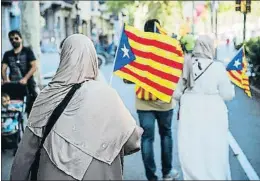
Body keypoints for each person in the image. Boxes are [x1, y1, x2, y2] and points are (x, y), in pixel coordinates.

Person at [10, 34, 143, 180]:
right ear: (93, 58)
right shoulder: (107, 95)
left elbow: (26, 151)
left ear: (64, 58)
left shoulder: (46, 95)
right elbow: (131, 141)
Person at [173, 35, 235, 180]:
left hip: (190, 110)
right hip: (213, 110)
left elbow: (176, 92)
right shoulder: (218, 67)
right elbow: (227, 94)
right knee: (213, 145)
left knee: (191, 145)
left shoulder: (186, 64)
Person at [124, 19, 179, 181]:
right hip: (164, 101)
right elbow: (175, 72)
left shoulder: (137, 49)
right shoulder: (167, 48)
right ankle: (167, 173)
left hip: (143, 102)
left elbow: (127, 79)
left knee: (147, 138)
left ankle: (151, 177)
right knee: (166, 135)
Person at [1, 30, 39, 115]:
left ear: (21, 39)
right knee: (10, 104)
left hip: (28, 84)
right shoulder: (7, 54)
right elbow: (3, 68)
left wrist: (25, 78)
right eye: (11, 39)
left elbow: (34, 66)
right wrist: (5, 79)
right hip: (14, 84)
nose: (14, 40)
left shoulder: (27, 51)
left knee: (33, 105)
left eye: (16, 38)